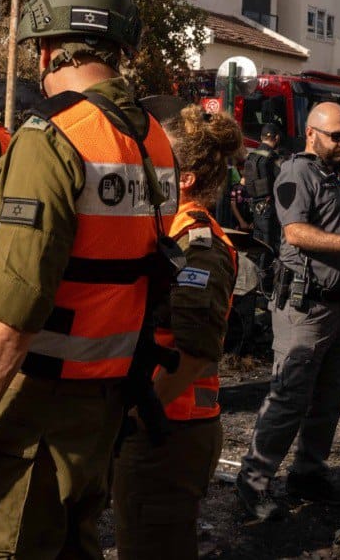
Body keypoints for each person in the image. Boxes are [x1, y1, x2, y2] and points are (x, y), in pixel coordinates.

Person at [0, 0, 178, 560]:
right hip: (104, 401)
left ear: (45, 48)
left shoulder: (54, 135)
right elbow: (105, 244)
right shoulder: (151, 138)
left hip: (35, 408)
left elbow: (14, 305)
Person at [236, 103, 340, 520]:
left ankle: (308, 474)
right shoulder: (298, 172)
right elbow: (296, 232)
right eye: (337, 136)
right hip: (304, 307)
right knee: (288, 398)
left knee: (329, 398)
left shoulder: (334, 177)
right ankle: (254, 481)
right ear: (312, 134)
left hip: (335, 305)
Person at [113, 106, 242, 559]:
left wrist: (135, 416)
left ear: (184, 178)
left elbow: (195, 352)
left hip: (168, 428)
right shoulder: (166, 228)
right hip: (157, 422)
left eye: (153, 159)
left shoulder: (198, 245)